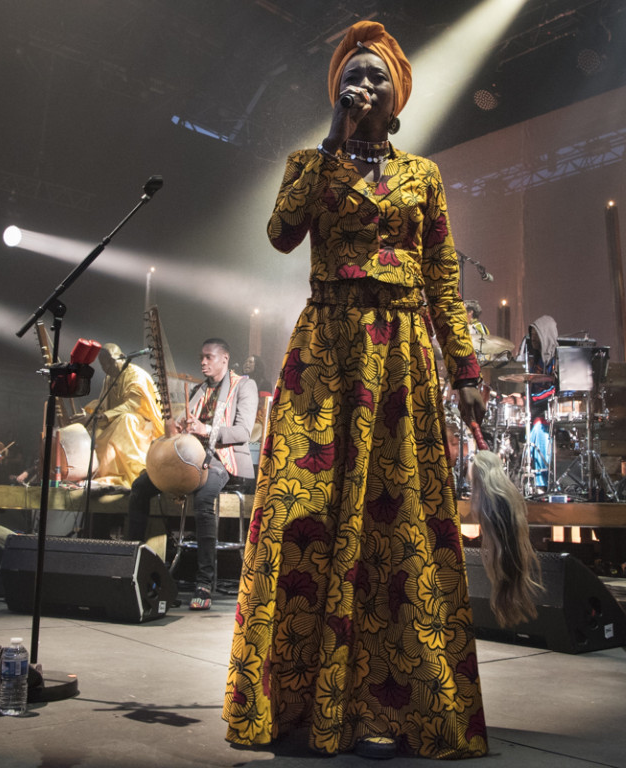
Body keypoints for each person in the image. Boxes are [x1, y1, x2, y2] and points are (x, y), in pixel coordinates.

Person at [224, 22, 488, 759]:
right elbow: (281, 234)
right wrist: (333, 145)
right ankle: (298, 703)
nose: (362, 86)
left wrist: (465, 374)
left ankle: (401, 702)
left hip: (400, 354)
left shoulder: (423, 176)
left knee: (397, 520)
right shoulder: (310, 162)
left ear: (396, 95)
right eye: (353, 77)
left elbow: (442, 275)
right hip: (326, 353)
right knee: (303, 515)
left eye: (375, 78)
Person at [127, 338, 257, 610]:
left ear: (224, 358)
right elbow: (187, 431)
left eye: (209, 357)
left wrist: (206, 430)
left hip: (223, 460)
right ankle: (131, 565)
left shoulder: (244, 385)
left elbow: (244, 432)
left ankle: (204, 582)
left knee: (203, 497)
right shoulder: (198, 390)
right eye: (201, 357)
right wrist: (180, 427)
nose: (203, 362)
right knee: (140, 486)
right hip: (191, 460)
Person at [468, 450, 542, 627]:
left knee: (506, 571)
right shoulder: (506, 496)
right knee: (509, 570)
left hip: (500, 541)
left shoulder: (489, 503)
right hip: (504, 541)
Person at [76, 343, 164, 489]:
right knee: (95, 430)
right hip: (114, 420)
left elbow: (133, 405)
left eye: (108, 363)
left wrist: (104, 416)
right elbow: (103, 404)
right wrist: (91, 414)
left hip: (143, 425)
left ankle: (125, 476)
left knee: (127, 420)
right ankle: (103, 475)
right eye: (103, 365)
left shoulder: (136, 375)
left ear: (119, 358)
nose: (106, 368)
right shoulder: (109, 378)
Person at [519, 315, 557, 492]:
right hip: (535, 409)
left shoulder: (556, 360)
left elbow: (555, 390)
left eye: (536, 336)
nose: (533, 340)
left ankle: (542, 482)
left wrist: (529, 399)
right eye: (531, 336)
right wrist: (519, 397)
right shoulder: (535, 361)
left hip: (552, 411)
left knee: (538, 428)